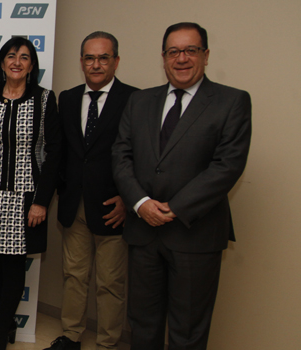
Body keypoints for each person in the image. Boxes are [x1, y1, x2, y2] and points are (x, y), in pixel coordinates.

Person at [112, 22, 251, 350]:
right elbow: (121, 155)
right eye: (174, 51)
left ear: (205, 55)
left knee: (188, 329)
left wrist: (174, 208)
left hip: (195, 235)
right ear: (163, 58)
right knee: (142, 323)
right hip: (143, 233)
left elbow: (226, 166)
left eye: (191, 50)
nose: (182, 58)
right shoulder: (140, 102)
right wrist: (141, 203)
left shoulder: (231, 102)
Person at [0, 37, 61, 350]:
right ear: (2, 63)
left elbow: (53, 153)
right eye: (10, 56)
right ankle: (6, 327)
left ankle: (2, 331)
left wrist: (41, 202)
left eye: (24, 57)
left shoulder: (45, 100)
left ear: (31, 65)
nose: (16, 61)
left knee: (15, 263)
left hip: (26, 197)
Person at [46, 32, 138, 350]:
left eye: (103, 57)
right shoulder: (68, 98)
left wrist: (130, 199)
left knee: (110, 283)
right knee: (74, 276)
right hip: (74, 205)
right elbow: (61, 151)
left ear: (116, 61)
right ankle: (71, 335)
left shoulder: (134, 99)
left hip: (114, 208)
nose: (96, 64)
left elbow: (141, 155)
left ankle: (107, 342)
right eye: (89, 57)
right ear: (82, 61)